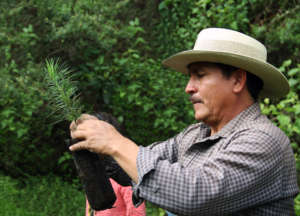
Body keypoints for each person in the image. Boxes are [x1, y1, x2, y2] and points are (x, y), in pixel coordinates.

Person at [69, 28, 299, 215]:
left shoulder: (264, 141)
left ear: (238, 80)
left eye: (200, 75)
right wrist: (97, 141)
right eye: (190, 77)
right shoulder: (195, 135)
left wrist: (116, 143)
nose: (188, 87)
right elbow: (136, 169)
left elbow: (194, 195)